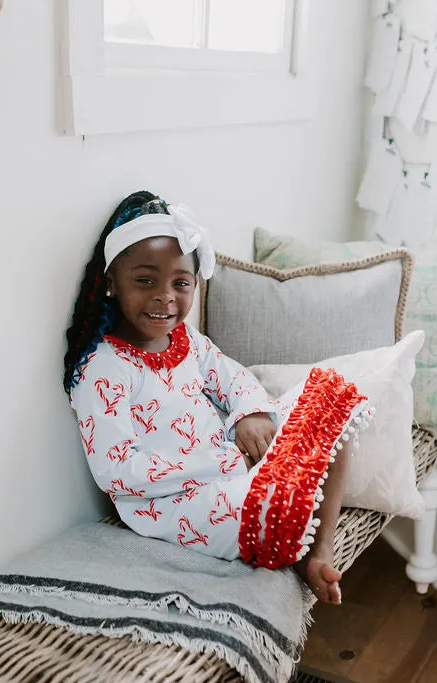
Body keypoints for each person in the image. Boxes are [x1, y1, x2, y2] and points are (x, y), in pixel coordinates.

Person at [62, 191, 373, 605]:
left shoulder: (185, 340)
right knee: (269, 507)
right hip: (176, 501)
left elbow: (230, 376)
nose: (164, 296)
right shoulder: (102, 367)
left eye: (181, 283)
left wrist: (250, 413)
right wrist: (227, 462)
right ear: (111, 285)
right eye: (144, 280)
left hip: (233, 453)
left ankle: (321, 547)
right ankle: (291, 535)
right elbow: (118, 471)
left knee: (330, 405)